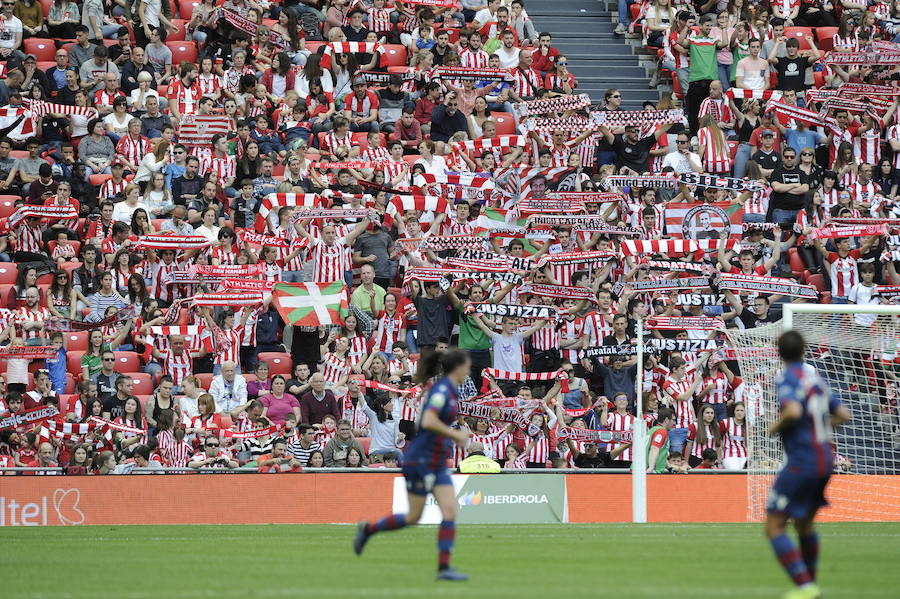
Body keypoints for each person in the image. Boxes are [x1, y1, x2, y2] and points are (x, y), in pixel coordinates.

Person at [354, 349, 472, 581]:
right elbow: (428, 421)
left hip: (436, 460)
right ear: (457, 368)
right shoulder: (441, 391)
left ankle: (444, 568)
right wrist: (455, 435)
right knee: (413, 517)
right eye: (466, 366)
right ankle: (368, 529)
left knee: (449, 511)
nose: (469, 371)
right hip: (421, 460)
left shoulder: (448, 391)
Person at [766, 330, 851, 599]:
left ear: (779, 352)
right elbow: (844, 414)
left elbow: (793, 411)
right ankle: (810, 585)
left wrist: (774, 427)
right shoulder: (816, 380)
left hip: (802, 460)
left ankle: (805, 586)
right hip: (825, 458)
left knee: (774, 526)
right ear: (804, 351)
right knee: (803, 525)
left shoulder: (786, 376)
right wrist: (817, 427)